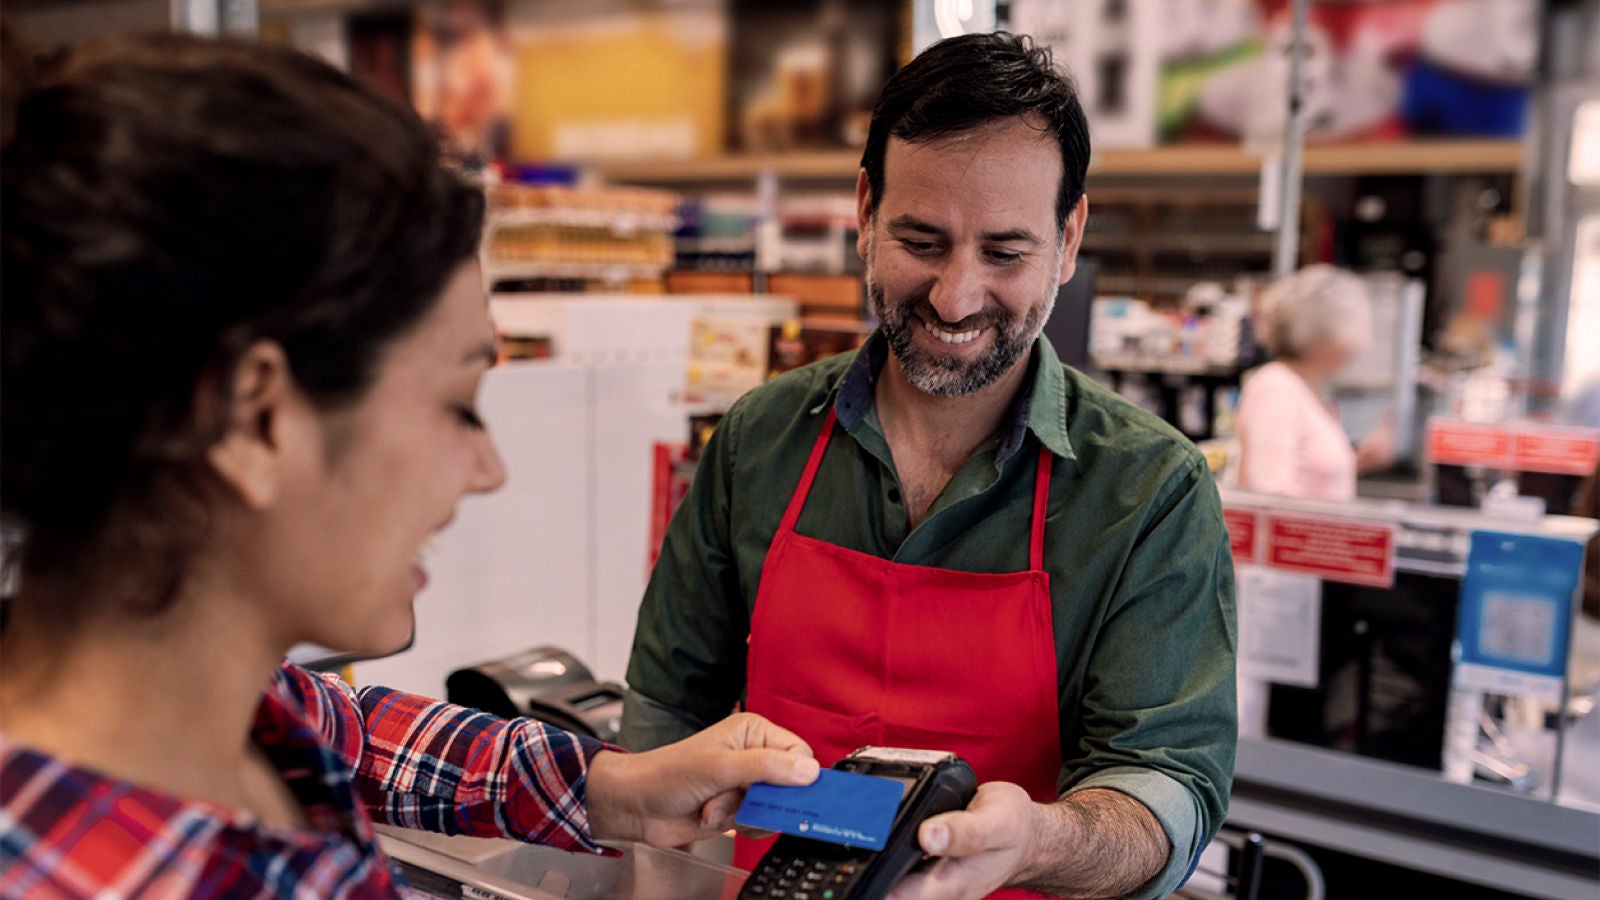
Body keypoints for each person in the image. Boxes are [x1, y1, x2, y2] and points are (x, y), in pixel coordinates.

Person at [0, 31, 821, 898]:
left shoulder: (214, 706)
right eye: (458, 405)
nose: (486, 468)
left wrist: (611, 787)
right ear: (257, 419)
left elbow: (348, 731)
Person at [624, 33, 1236, 900]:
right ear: (866, 211)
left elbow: (1168, 787)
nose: (955, 297)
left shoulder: (1149, 491)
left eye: (1004, 252)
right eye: (922, 239)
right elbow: (666, 708)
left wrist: (1037, 840)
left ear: (1069, 239)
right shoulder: (763, 436)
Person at [1234, 264, 1394, 501]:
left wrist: (1355, 462)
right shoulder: (1276, 388)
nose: (1365, 341)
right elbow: (1267, 492)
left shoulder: (1301, 388)